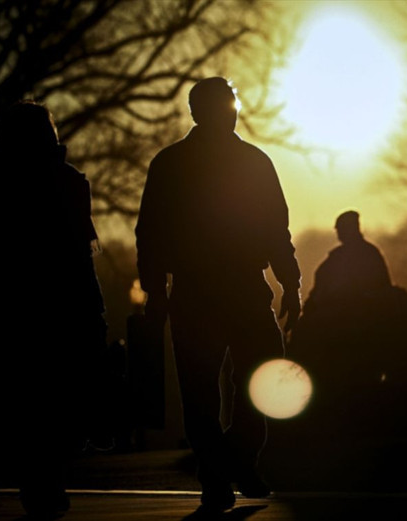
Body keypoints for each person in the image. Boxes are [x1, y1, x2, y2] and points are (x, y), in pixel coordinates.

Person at [135, 77, 301, 514]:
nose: (230, 111)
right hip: (212, 289)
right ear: (201, 112)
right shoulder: (242, 162)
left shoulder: (178, 163)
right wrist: (290, 282)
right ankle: (227, 470)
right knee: (222, 388)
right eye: (225, 104)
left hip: (223, 288)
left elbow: (275, 228)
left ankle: (224, 468)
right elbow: (150, 232)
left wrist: (292, 281)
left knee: (234, 384)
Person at [0, 100, 107, 517]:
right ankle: (48, 482)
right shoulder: (70, 182)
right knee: (59, 397)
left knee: (27, 399)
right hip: (64, 303)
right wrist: (94, 307)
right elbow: (79, 252)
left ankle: (39, 485)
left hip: (17, 304)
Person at [302, 210, 392, 316]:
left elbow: (380, 286)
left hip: (357, 311)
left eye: (340, 228)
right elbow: (321, 277)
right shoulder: (339, 255)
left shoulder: (367, 253)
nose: (338, 232)